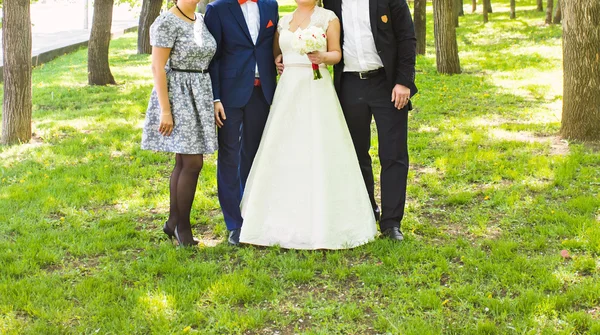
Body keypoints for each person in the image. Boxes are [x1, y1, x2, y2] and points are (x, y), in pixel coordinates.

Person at [238, 0, 377, 250]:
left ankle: (324, 218)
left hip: (316, 85)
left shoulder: (328, 18)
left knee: (318, 144)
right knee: (284, 146)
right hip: (289, 88)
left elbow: (337, 53)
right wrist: (278, 59)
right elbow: (275, 52)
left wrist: (323, 56)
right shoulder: (283, 20)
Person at [324, 0, 418, 241]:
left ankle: (391, 223)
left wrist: (404, 81)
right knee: (356, 154)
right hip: (349, 84)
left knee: (393, 154)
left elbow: (407, 37)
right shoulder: (331, 1)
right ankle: (366, 211)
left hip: (386, 83)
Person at [141, 0, 217, 246]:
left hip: (199, 92)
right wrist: (165, 110)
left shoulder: (200, 19)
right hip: (179, 95)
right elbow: (157, 67)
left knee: (184, 161)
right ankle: (182, 226)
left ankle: (173, 222)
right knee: (193, 162)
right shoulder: (166, 21)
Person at [204, 0, 279, 246]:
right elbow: (211, 57)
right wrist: (215, 97)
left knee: (255, 155)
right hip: (229, 94)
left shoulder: (271, 5)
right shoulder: (217, 9)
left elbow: (271, 45)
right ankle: (234, 224)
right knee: (229, 156)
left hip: (262, 92)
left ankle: (254, 213)